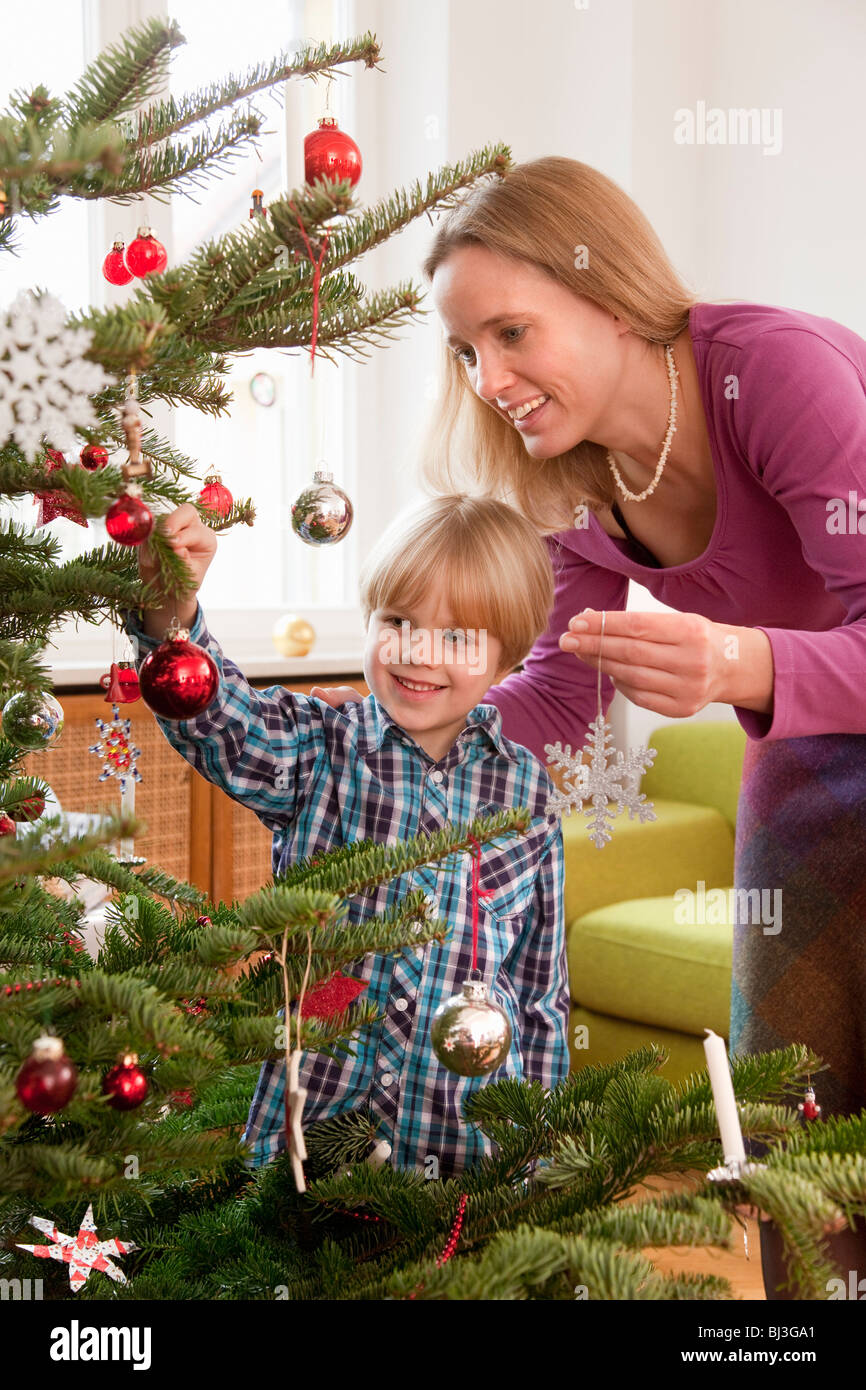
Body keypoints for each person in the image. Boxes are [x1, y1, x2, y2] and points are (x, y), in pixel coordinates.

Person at [318, 155, 866, 1119]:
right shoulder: (566, 479)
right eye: (464, 350)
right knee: (794, 1111)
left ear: (611, 297)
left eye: (512, 333)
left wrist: (737, 662)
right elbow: (563, 697)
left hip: (809, 704)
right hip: (809, 740)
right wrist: (398, 730)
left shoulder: (777, 377)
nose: (488, 379)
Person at [127, 493, 570, 1177]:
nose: (418, 653)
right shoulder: (319, 749)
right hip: (310, 1143)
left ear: (506, 660)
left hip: (465, 1157)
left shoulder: (528, 794)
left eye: (456, 637)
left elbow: (539, 993)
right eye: (398, 621)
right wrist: (169, 614)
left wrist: (541, 1155)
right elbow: (219, 720)